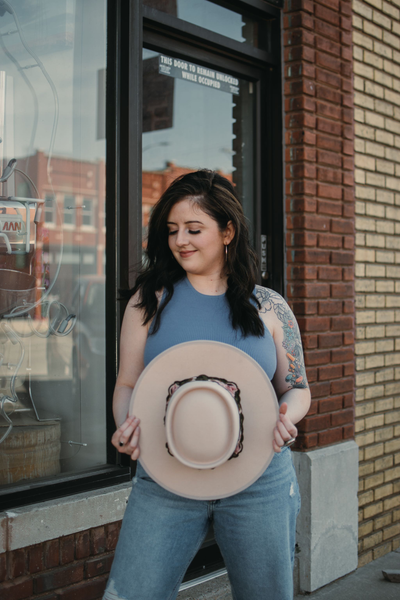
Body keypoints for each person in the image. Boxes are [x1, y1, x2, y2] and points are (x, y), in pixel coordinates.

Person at [103, 170, 311, 600]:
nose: (181, 240)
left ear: (228, 231)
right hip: (166, 477)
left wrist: (286, 416)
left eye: (194, 229)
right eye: (173, 230)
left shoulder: (270, 306)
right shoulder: (149, 302)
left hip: (260, 480)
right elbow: (127, 384)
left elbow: (296, 387)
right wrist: (126, 425)